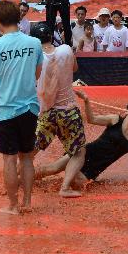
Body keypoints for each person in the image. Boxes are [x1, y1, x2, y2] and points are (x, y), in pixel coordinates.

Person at [36, 91, 128, 190]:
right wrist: (86, 101)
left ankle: (64, 180)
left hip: (96, 168)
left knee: (78, 183)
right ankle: (20, 178)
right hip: (86, 154)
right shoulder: (115, 120)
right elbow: (92, 119)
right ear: (126, 111)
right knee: (51, 169)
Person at [0, 0, 44, 215]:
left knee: (8, 159)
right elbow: (37, 74)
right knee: (26, 157)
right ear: (18, 18)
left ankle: (13, 206)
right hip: (30, 109)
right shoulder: (34, 43)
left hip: (5, 111)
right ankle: (27, 201)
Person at [29, 23, 86, 198]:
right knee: (79, 151)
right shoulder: (66, 50)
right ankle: (65, 187)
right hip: (68, 110)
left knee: (29, 153)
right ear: (51, 36)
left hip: (45, 112)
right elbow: (75, 68)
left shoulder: (34, 57)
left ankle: (16, 178)